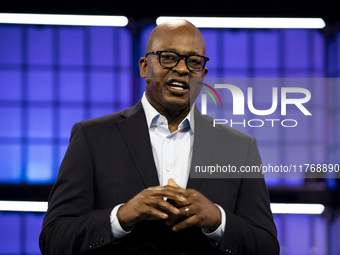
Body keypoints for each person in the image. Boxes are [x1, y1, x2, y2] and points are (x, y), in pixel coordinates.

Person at [39, 19, 279, 254]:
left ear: (203, 74)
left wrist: (218, 220)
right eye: (168, 57)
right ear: (144, 67)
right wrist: (121, 216)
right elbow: (54, 239)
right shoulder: (92, 137)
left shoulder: (239, 146)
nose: (183, 69)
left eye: (193, 62)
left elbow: (267, 246)